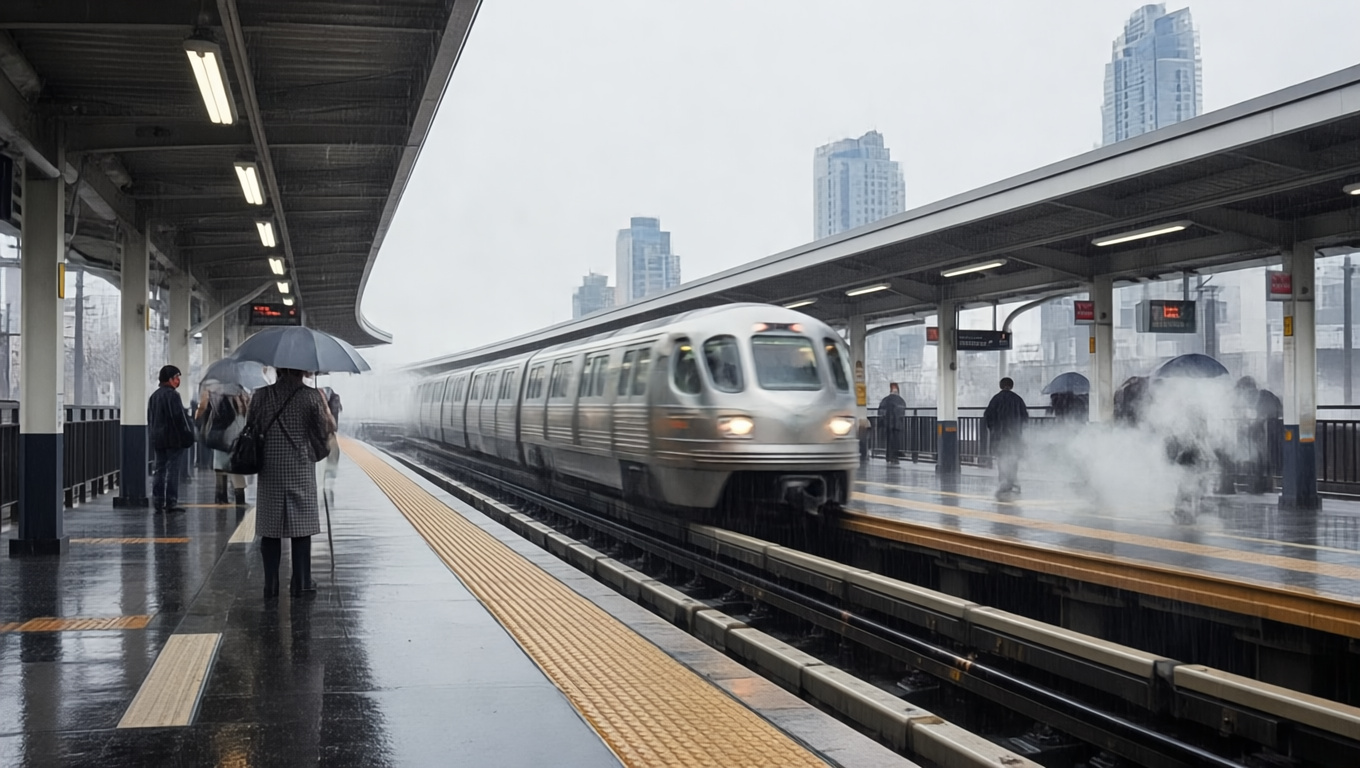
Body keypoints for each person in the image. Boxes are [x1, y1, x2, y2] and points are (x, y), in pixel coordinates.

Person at [249, 368, 336, 598]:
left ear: (278, 370)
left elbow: (251, 427)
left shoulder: (260, 395)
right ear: (299, 370)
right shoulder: (311, 396)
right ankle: (302, 583)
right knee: (301, 529)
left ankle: (271, 585)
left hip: (269, 468)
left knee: (270, 530)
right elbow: (323, 434)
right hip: (299, 467)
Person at [148, 365, 195, 513]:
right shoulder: (173, 395)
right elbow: (178, 418)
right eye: (176, 377)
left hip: (158, 439)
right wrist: (186, 434)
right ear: (169, 379)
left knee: (159, 470)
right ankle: (171, 502)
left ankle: (157, 501)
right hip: (173, 440)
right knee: (173, 470)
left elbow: (150, 419)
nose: (178, 380)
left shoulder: (154, 396)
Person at [195, 389, 251, 506]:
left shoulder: (213, 393)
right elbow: (247, 412)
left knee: (220, 465)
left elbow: (203, 409)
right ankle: (239, 496)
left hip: (220, 433)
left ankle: (220, 497)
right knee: (235, 465)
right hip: (236, 431)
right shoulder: (241, 393)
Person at [984, 377, 1028, 497]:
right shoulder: (1018, 400)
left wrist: (993, 429)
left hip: (999, 435)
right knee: (1013, 459)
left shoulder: (996, 399)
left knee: (1001, 459)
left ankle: (1003, 483)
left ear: (1000, 386)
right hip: (1015, 435)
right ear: (1012, 386)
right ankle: (1014, 482)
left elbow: (988, 416)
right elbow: (1025, 417)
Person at [876, 383, 907, 464]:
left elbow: (881, 411)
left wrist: (882, 423)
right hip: (897, 425)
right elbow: (902, 412)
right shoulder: (900, 401)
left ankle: (889, 456)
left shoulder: (885, 400)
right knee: (896, 441)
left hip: (888, 425)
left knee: (889, 441)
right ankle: (894, 457)